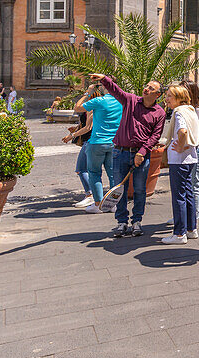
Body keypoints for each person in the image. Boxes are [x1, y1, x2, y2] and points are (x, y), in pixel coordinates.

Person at [88, 73, 167, 238]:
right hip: (120, 152)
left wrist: (142, 152)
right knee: (119, 189)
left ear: (157, 95)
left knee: (139, 190)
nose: (146, 89)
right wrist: (104, 79)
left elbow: (155, 136)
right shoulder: (131, 100)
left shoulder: (159, 113)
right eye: (146, 86)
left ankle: (137, 221)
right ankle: (121, 222)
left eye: (151, 88)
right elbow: (116, 91)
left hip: (141, 156)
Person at [161, 84, 199, 245]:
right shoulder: (191, 111)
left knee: (179, 196)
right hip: (190, 158)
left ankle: (179, 234)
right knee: (188, 193)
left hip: (179, 160)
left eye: (170, 96)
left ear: (178, 98)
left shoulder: (179, 113)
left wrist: (181, 145)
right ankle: (192, 229)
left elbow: (183, 132)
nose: (166, 99)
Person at [73, 83, 122, 212]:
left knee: (94, 173)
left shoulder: (99, 100)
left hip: (97, 142)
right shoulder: (121, 101)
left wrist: (87, 93)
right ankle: (114, 204)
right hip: (115, 142)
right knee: (113, 175)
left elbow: (77, 108)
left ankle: (98, 204)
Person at [182, 80, 199, 236]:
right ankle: (183, 214)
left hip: (196, 150)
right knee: (185, 184)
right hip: (185, 151)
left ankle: (194, 216)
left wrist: (191, 143)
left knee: (194, 183)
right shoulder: (184, 108)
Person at [63, 100, 94, 204]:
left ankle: (90, 195)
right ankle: (96, 196)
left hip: (91, 141)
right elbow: (85, 124)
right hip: (91, 141)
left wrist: (72, 135)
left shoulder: (92, 109)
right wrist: (75, 128)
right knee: (93, 170)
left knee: (81, 169)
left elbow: (88, 127)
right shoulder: (88, 110)